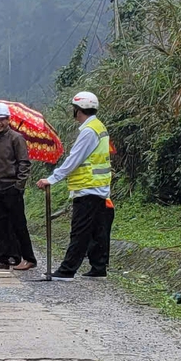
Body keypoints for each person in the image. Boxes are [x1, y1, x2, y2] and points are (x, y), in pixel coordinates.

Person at [35, 91, 114, 280]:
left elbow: (74, 160)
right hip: (98, 188)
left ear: (78, 110)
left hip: (88, 188)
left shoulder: (88, 131)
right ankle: (98, 267)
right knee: (97, 230)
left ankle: (67, 270)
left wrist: (52, 179)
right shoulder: (98, 126)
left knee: (79, 231)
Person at [0, 103, 37, 271]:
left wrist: (19, 186)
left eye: (1, 120)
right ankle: (3, 259)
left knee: (18, 224)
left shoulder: (16, 138)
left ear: (8, 120)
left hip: (12, 188)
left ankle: (28, 258)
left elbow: (24, 164)